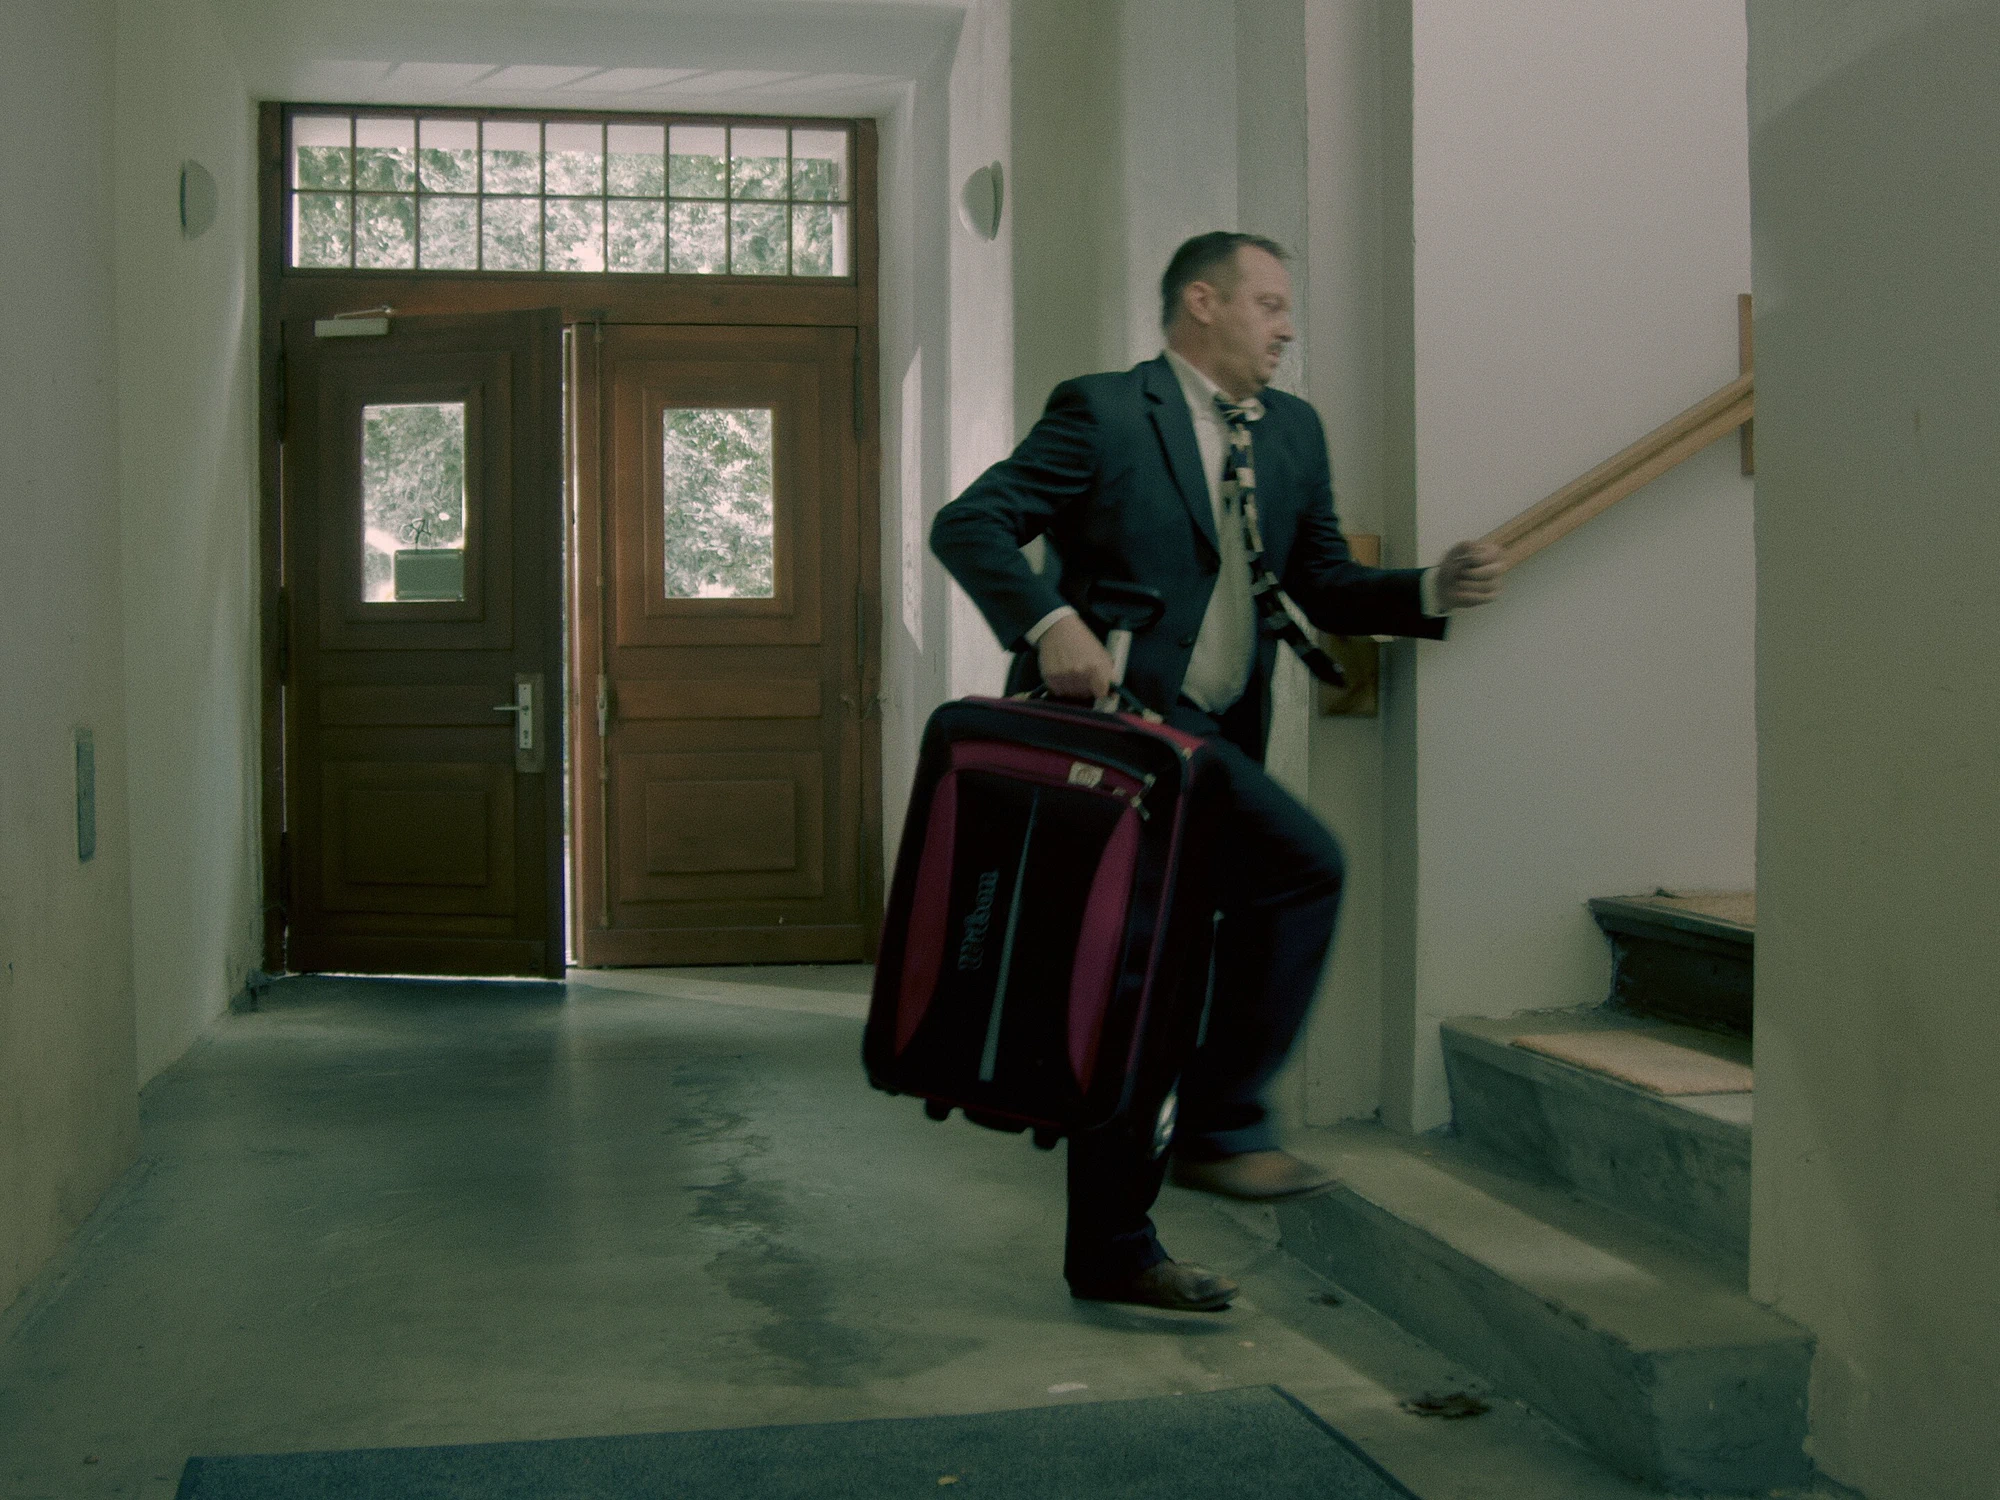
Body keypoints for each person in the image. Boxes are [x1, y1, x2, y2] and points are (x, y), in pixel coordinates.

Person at [930, 232, 1503, 1313]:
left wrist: (1430, 587)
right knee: (1301, 866)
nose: (1286, 328)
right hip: (1122, 745)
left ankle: (1114, 1251)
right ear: (1203, 302)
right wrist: (1051, 622)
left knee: (1152, 989)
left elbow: (1318, 580)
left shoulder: (1291, 431)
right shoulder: (1105, 411)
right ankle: (1219, 1124)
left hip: (1216, 745)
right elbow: (969, 525)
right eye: (1268, 304)